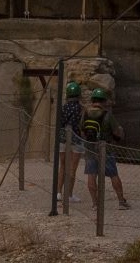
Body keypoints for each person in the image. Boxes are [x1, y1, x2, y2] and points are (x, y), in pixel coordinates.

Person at [79, 88, 132, 210]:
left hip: (90, 148)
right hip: (105, 148)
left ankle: (95, 204)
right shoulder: (108, 115)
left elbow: (82, 130)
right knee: (114, 174)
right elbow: (117, 131)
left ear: (92, 100)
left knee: (91, 175)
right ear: (103, 101)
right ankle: (121, 202)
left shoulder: (86, 113)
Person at [55, 81, 85, 210]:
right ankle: (70, 194)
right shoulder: (81, 109)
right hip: (76, 140)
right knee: (72, 168)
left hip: (62, 138)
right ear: (78, 95)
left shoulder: (62, 107)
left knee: (62, 166)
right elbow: (81, 125)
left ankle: (58, 193)